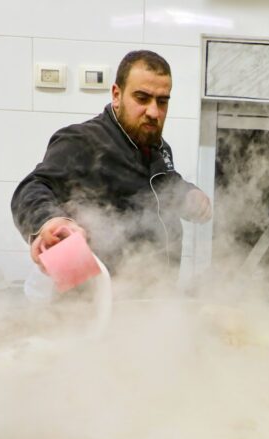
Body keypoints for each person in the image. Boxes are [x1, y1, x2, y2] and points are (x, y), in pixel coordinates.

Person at [11, 50, 212, 276]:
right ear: (117, 95)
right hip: (97, 302)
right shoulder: (82, 141)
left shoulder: (158, 147)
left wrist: (188, 194)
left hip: (156, 299)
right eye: (142, 98)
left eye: (162, 101)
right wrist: (49, 221)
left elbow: (165, 184)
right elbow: (31, 187)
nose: (154, 112)